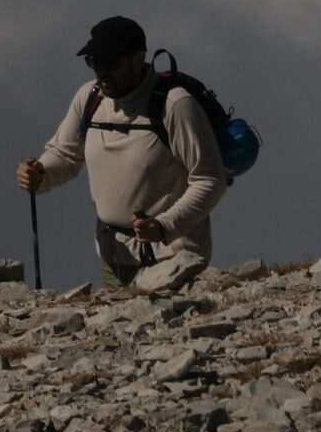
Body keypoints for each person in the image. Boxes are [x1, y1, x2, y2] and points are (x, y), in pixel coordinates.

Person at [17, 15, 226, 292]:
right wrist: (41, 173)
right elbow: (65, 157)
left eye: (111, 62)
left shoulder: (174, 105)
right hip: (113, 256)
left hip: (173, 258)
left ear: (139, 59)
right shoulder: (89, 98)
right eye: (94, 62)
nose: (101, 71)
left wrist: (163, 226)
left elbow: (211, 179)